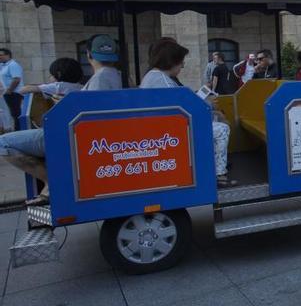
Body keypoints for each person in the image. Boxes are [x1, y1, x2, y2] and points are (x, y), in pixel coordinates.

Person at [0, 35, 122, 205]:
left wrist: (62, 105)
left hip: (77, 138)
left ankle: (52, 182)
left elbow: (89, 115)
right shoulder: (117, 76)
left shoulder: (100, 79)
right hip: (91, 137)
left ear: (89, 55)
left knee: (4, 143)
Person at [140, 39, 237, 187]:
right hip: (171, 133)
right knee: (222, 129)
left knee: (215, 120)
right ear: (171, 61)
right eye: (180, 62)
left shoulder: (154, 76)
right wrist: (209, 105)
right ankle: (219, 175)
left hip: (163, 129)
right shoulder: (164, 81)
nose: (183, 65)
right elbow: (187, 110)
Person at [0, 48, 24, 130]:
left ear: (8, 55)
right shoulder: (4, 65)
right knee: (13, 114)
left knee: (16, 114)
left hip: (14, 93)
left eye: (1, 55)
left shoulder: (13, 65)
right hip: (9, 93)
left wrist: (9, 90)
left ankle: (19, 130)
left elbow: (16, 79)